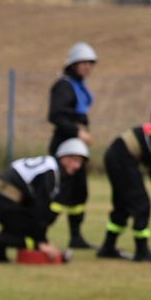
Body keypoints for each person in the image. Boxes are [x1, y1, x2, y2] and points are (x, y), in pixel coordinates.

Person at [0, 141, 85, 262]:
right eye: (75, 160)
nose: (78, 166)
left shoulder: (50, 165)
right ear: (64, 157)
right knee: (30, 230)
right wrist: (41, 242)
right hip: (1, 199)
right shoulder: (51, 173)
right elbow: (40, 207)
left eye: (80, 162)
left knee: (23, 225)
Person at [94, 112, 151, 262]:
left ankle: (108, 248)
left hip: (120, 156)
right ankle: (142, 252)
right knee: (141, 205)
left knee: (122, 206)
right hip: (121, 157)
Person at [46, 42, 99, 248]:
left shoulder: (78, 85)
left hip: (77, 146)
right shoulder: (64, 85)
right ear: (72, 64)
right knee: (59, 192)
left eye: (90, 64)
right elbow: (55, 115)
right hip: (64, 147)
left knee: (79, 192)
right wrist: (78, 132)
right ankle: (39, 231)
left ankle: (76, 237)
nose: (88, 67)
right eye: (83, 63)